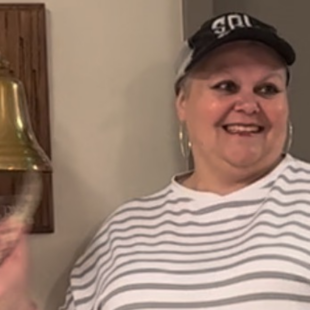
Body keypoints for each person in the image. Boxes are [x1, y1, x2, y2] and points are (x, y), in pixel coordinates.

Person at [2, 11, 310, 310]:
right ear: (182, 103)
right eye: (226, 86)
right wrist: (13, 302)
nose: (248, 104)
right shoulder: (121, 231)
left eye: (267, 89)